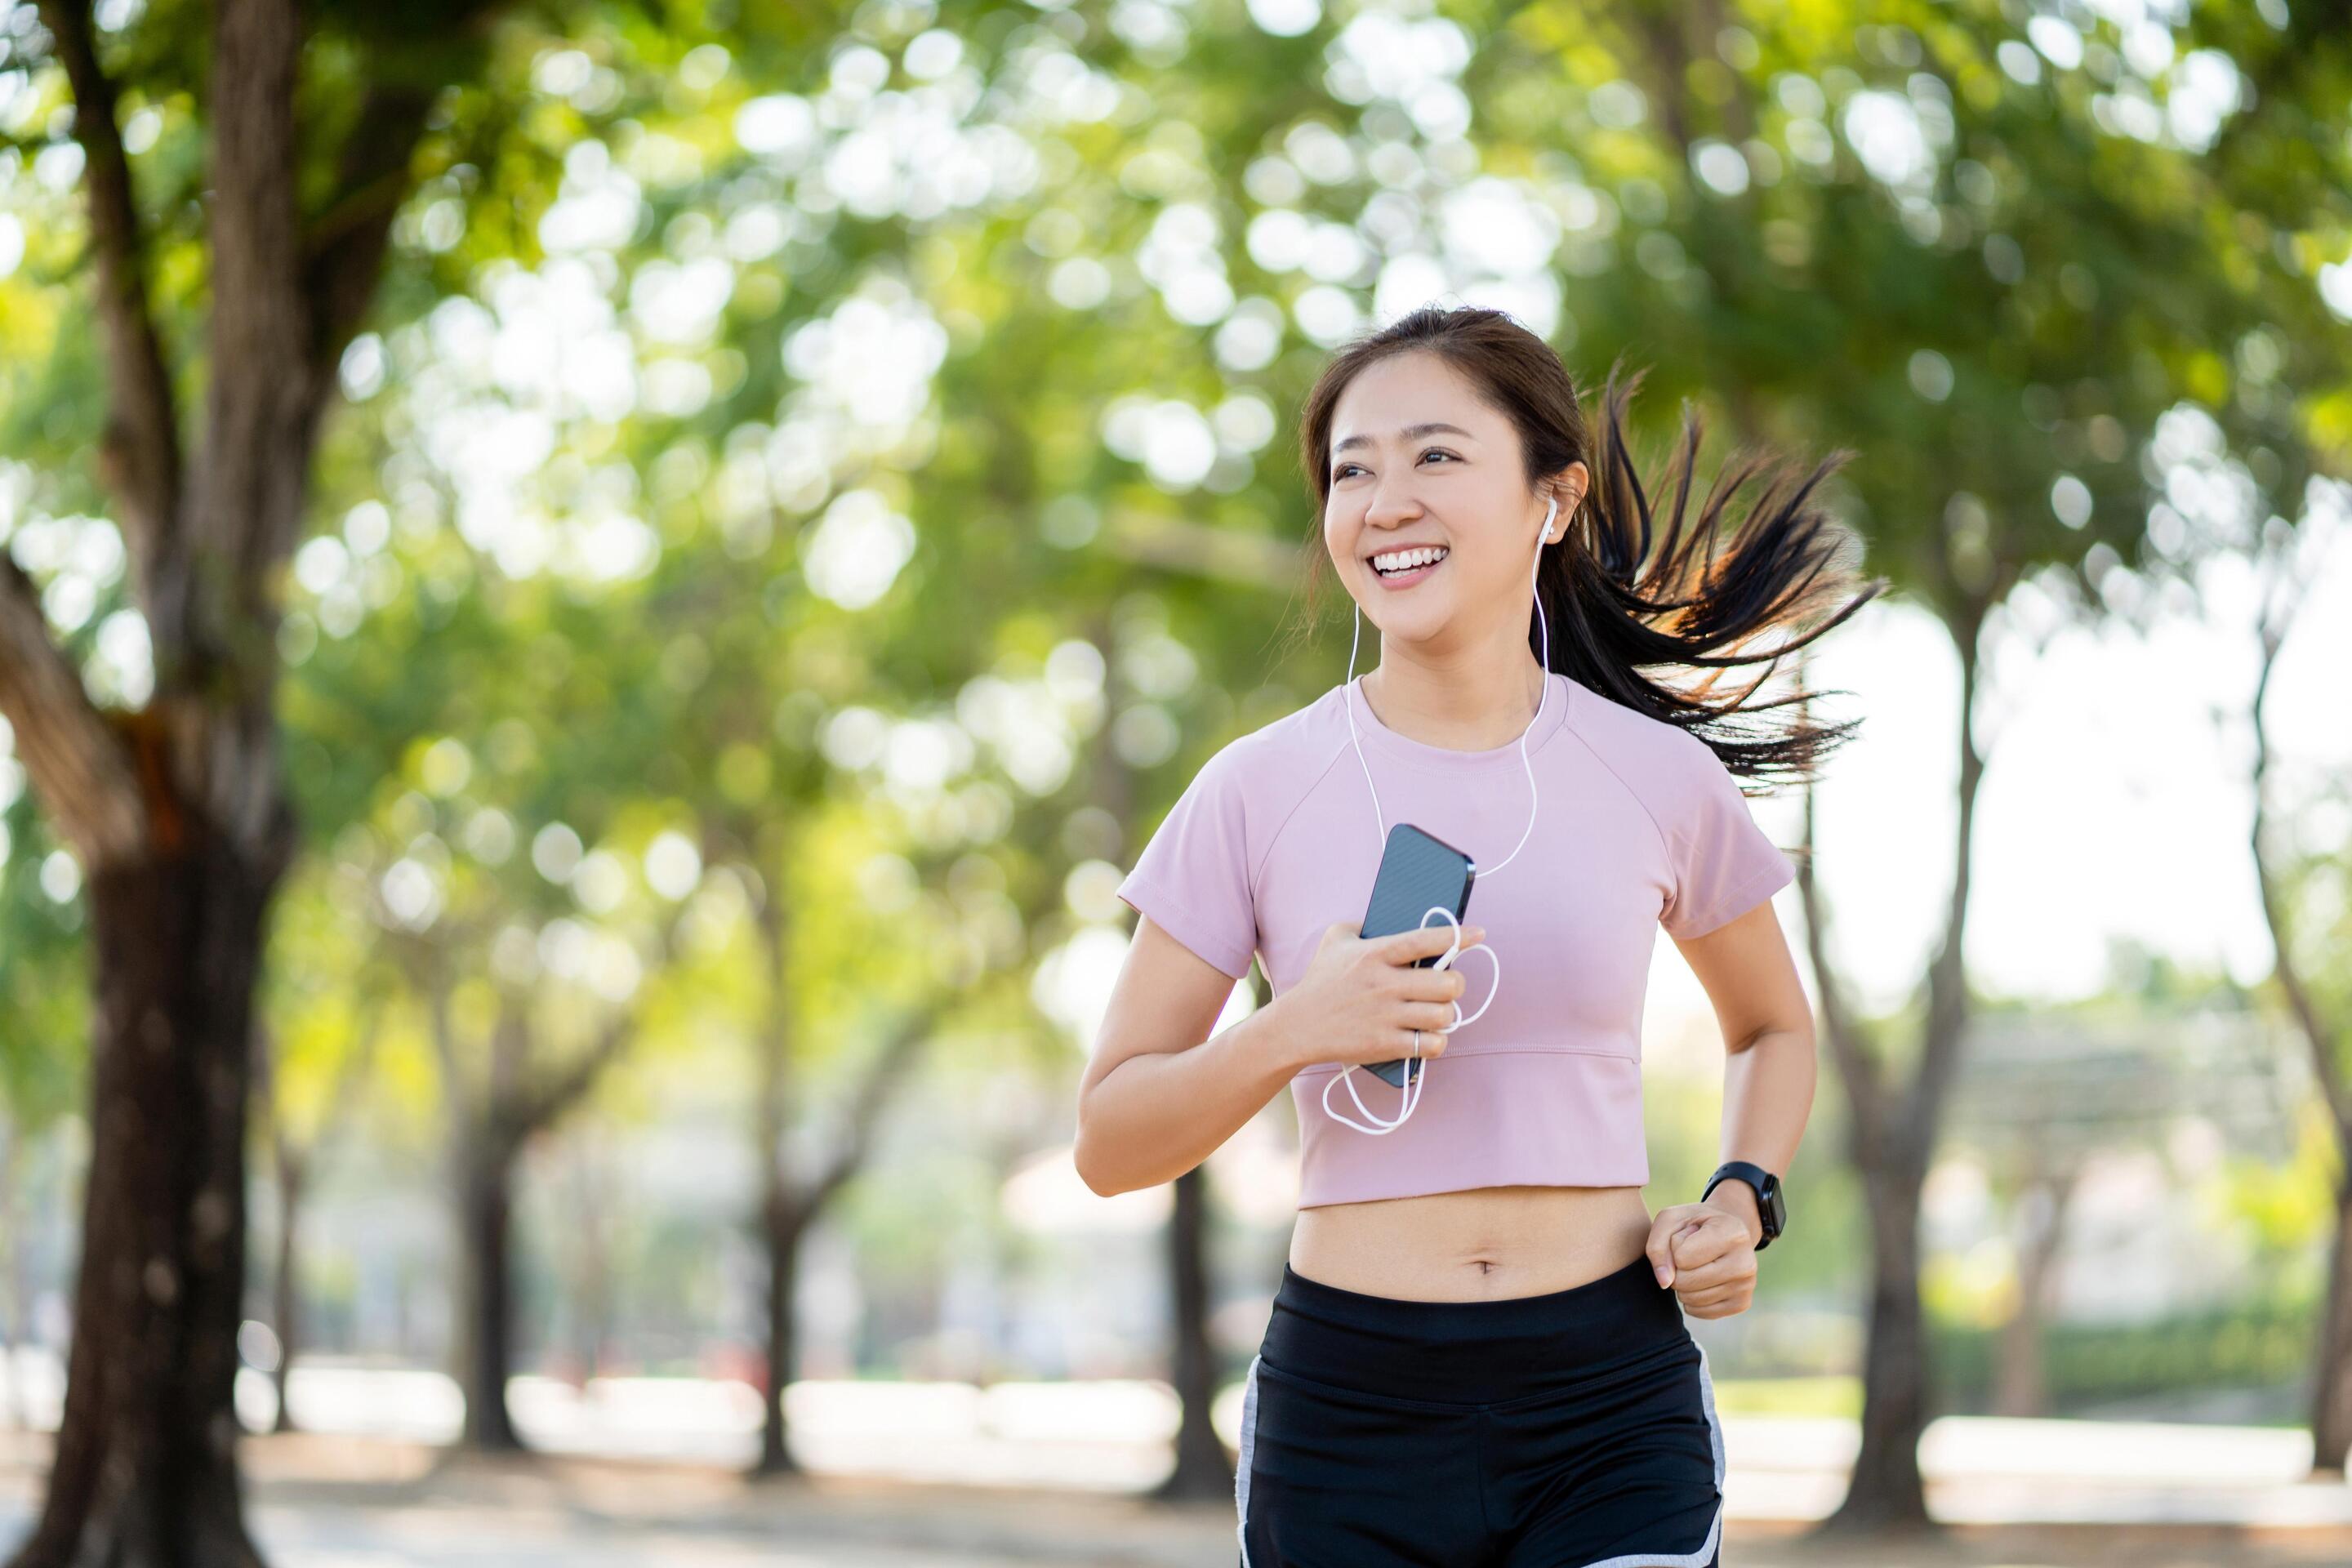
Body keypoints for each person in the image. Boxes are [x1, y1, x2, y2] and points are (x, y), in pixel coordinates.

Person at [1073, 303, 1885, 1567]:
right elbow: (1111, 1142)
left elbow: (1773, 1025)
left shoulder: (1655, 777)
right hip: (1348, 1409)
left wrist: (1743, 1194)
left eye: (1436, 456)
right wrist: (1295, 1030)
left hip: (1609, 1407)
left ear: (1551, 501)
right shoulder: (1253, 787)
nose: (1385, 499)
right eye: (1353, 470)